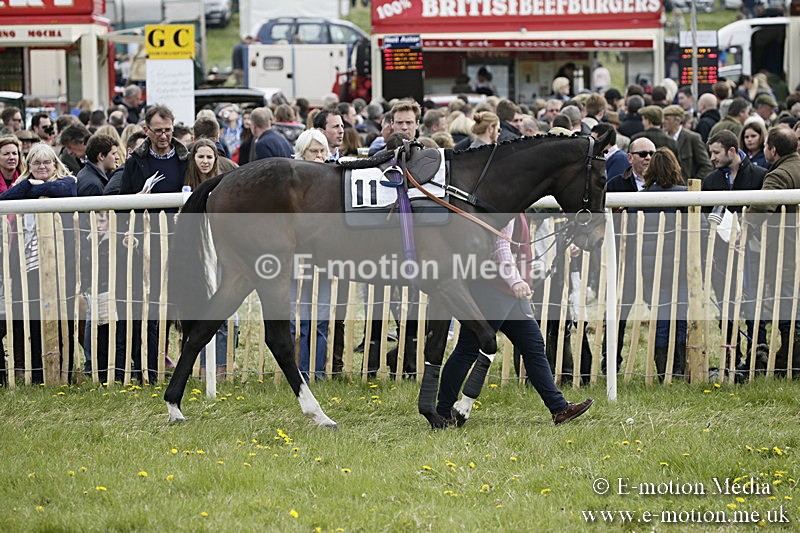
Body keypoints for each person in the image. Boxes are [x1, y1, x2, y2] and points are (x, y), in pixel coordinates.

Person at [435, 210, 593, 426]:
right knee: (467, 349)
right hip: (491, 289)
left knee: (533, 346)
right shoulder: (507, 211)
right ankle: (443, 411)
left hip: (508, 293)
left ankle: (559, 409)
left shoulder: (518, 209)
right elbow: (500, 248)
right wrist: (515, 281)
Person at [0, 143, 77, 383]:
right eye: (36, 163)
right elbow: (4, 199)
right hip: (28, 265)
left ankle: (64, 369)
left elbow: (64, 190)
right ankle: (36, 372)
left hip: (61, 263)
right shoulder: (22, 185)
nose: (42, 167)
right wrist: (26, 185)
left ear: (55, 164)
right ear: (29, 166)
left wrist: (33, 187)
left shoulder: (67, 182)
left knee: (63, 317)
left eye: (46, 162)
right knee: (32, 319)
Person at [703, 130, 767, 374]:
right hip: (721, 254)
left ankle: (757, 356)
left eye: (716, 152)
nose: (712, 158)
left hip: (753, 251)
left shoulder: (759, 175)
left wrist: (749, 231)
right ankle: (731, 355)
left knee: (753, 304)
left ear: (732, 151)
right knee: (725, 305)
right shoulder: (711, 181)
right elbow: (706, 217)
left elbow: (766, 212)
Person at [748, 126, 800, 374]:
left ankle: (794, 359)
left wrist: (744, 227)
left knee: (788, 308)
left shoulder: (779, 175)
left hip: (786, 253)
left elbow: (761, 207)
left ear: (773, 150)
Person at [639, 148, 688, 379]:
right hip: (681, 265)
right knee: (680, 316)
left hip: (653, 266)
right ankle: (679, 367)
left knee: (661, 317)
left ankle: (663, 370)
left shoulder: (642, 197)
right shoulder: (686, 195)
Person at [662, 105, 713, 181]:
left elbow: (706, 165)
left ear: (677, 121)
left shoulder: (692, 138)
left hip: (686, 186)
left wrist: (693, 183)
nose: (663, 122)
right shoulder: (662, 138)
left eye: (667, 119)